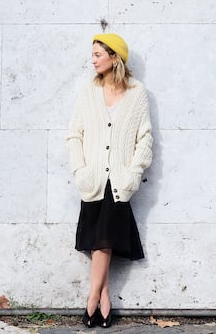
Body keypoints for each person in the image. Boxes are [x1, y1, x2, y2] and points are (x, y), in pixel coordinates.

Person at [67, 33, 153, 328]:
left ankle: (92, 300)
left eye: (97, 55)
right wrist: (80, 170)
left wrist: (133, 174)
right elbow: (74, 134)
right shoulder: (89, 91)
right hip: (92, 178)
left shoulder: (137, 92)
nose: (92, 60)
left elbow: (145, 138)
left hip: (119, 180)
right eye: (92, 55)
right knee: (98, 241)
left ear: (114, 57)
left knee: (103, 240)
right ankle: (104, 299)